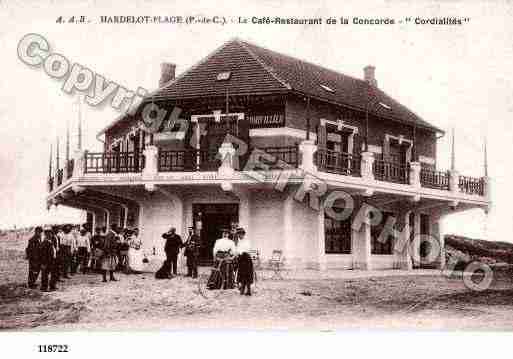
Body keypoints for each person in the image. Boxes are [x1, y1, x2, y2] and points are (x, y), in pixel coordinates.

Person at [235, 228, 253, 296]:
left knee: (247, 275)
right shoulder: (239, 242)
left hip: (246, 259)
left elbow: (247, 249)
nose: (239, 236)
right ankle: (242, 289)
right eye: (238, 234)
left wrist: (240, 252)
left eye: (240, 234)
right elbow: (237, 250)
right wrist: (237, 254)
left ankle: (248, 290)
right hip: (241, 259)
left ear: (243, 234)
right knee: (242, 275)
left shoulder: (247, 241)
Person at [40, 226, 58, 292]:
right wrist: (43, 263)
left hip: (52, 260)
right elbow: (43, 254)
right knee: (45, 274)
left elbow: (54, 250)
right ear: (46, 234)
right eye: (48, 233)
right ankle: (44, 287)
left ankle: (52, 286)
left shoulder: (51, 241)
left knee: (53, 273)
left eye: (50, 233)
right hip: (47, 261)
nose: (50, 235)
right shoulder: (44, 243)